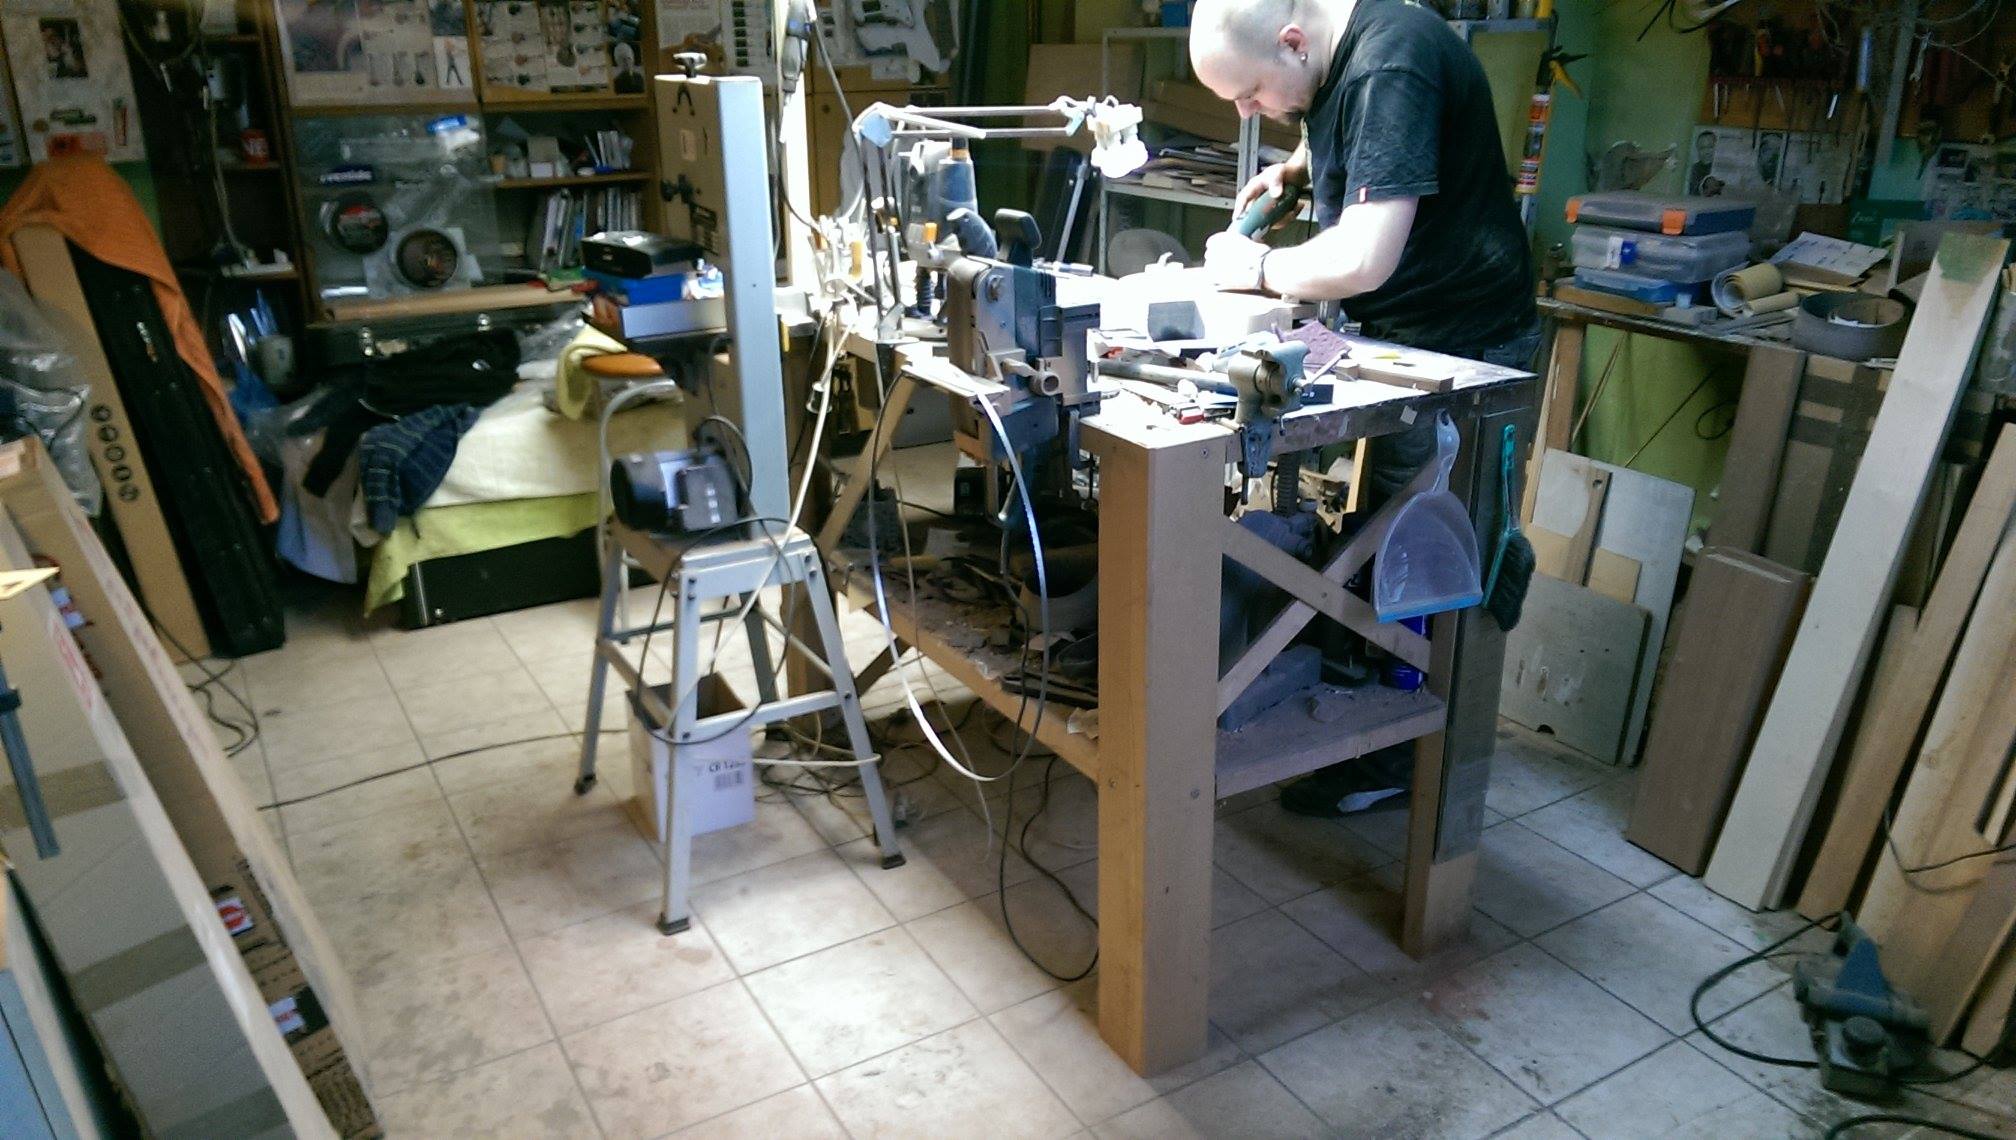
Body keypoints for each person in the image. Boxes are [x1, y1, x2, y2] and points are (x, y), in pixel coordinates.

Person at [1191, 0, 1540, 817]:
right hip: (1405, 337)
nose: (1247, 113)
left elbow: (1364, 256)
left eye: (1249, 92)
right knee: (1376, 534)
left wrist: (1255, 268)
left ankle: (1423, 769)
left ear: (1292, 41)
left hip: (1466, 349)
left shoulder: (1393, 63)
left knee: (1431, 554)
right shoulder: (1342, 51)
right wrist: (1295, 171)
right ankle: (1379, 718)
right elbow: (1345, 118)